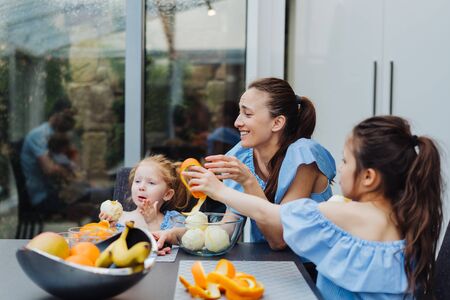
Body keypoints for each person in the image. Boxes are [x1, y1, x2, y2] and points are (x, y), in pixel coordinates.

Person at [182, 115, 443, 299]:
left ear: (369, 177)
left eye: (345, 161)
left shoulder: (347, 214)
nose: (339, 168)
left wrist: (219, 190)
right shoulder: (408, 216)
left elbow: (267, 213)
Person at [203, 77, 336, 248]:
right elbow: (228, 229)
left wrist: (248, 181)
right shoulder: (241, 155)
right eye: (239, 113)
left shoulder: (303, 156)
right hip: (270, 264)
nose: (237, 122)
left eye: (248, 114)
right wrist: (178, 234)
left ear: (277, 122)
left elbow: (280, 240)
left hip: (312, 268)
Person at [100, 154, 189, 232]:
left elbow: (163, 245)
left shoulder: (174, 221)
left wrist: (152, 222)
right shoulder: (118, 218)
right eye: (137, 181)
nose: (141, 187)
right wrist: (105, 227)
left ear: (167, 194)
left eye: (151, 183)